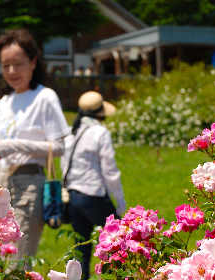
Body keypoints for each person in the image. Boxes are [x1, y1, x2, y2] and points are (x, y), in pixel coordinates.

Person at [0, 29, 70, 269]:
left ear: (33, 62)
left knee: (18, 263)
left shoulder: (45, 97)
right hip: (2, 184)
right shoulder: (4, 102)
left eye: (18, 64)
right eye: (5, 65)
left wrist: (14, 146)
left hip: (29, 184)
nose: (12, 71)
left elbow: (59, 146)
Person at [61, 91, 127, 280]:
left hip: (73, 196)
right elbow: (110, 171)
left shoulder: (70, 131)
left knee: (81, 249)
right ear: (101, 113)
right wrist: (120, 200)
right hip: (94, 196)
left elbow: (65, 165)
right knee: (120, 244)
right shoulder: (100, 133)